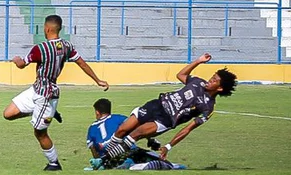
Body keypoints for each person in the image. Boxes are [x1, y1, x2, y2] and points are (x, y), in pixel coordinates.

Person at [3, 14, 110, 171]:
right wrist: (97, 80)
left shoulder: (40, 49)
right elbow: (81, 63)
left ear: (47, 29)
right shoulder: (67, 46)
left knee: (40, 133)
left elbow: (22, 64)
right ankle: (48, 112)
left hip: (46, 95)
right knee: (8, 113)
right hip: (36, 89)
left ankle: (54, 163)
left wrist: (16, 59)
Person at [99, 53, 237, 162]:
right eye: (212, 77)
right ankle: (106, 154)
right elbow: (181, 75)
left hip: (166, 120)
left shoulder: (208, 107)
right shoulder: (198, 82)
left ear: (219, 88)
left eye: (214, 80)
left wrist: (169, 146)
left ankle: (104, 160)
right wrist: (198, 61)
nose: (210, 80)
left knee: (136, 133)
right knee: (122, 130)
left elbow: (188, 129)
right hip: (157, 104)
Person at [86, 99, 180, 171]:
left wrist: (100, 162)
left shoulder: (91, 128)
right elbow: (139, 129)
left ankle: (127, 165)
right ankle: (142, 165)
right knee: (159, 160)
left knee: (120, 162)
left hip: (107, 159)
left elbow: (94, 151)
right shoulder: (118, 118)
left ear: (97, 112)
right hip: (128, 152)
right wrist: (150, 140)